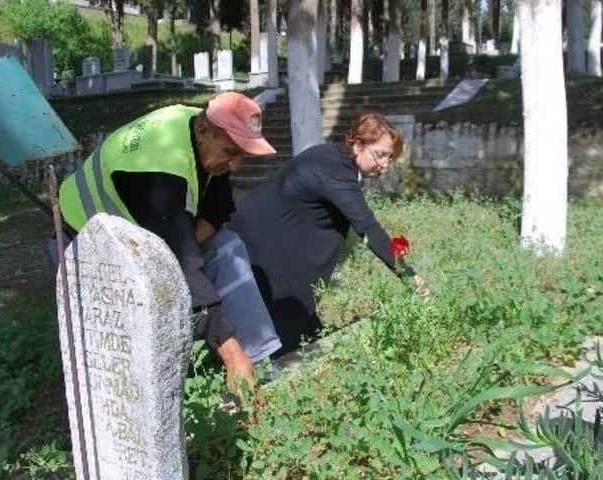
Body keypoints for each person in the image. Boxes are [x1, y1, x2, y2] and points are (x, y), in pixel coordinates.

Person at [56, 93, 283, 392]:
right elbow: (182, 263)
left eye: (243, 154)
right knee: (124, 330)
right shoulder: (160, 170)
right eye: (232, 151)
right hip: (83, 239)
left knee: (227, 246)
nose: (237, 165)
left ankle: (260, 363)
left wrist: (188, 246)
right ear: (204, 131)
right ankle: (154, 389)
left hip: (147, 229)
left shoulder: (202, 130)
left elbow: (219, 210)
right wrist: (230, 354)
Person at [228, 113, 429, 355]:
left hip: (272, 230)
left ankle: (299, 342)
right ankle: (265, 361)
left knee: (296, 311)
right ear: (357, 145)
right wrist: (410, 277)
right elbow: (367, 228)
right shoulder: (336, 172)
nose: (385, 165)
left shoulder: (336, 158)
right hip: (261, 236)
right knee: (283, 309)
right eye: (380, 155)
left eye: (390, 157)